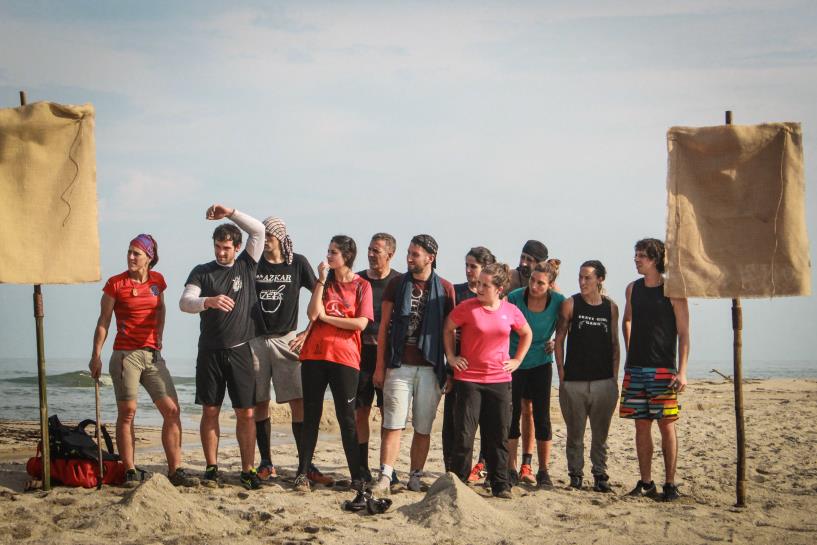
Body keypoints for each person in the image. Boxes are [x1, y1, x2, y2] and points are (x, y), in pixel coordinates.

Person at [89, 235, 197, 487]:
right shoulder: (115, 284)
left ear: (149, 257)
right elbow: (103, 321)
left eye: (136, 253)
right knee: (127, 413)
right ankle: (129, 470)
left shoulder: (158, 281)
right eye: (129, 252)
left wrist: (159, 335)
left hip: (152, 355)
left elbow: (161, 308)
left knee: (172, 410)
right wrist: (96, 355)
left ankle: (176, 470)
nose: (130, 257)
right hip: (125, 356)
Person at [179, 204, 265, 490]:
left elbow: (259, 230)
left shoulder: (246, 264)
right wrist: (208, 301)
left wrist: (230, 212)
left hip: (240, 349)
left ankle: (247, 469)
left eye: (227, 248)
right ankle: (212, 467)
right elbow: (184, 303)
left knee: (246, 413)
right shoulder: (202, 272)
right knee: (210, 411)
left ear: (237, 247)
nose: (221, 252)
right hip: (210, 352)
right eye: (218, 247)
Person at [249, 216, 331, 485]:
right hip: (256, 340)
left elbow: (322, 295)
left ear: (281, 238)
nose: (266, 242)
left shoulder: (297, 263)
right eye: (263, 237)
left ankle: (305, 464)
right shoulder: (253, 263)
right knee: (260, 402)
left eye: (269, 237)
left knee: (299, 402)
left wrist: (308, 332)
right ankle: (266, 463)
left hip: (287, 340)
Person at [372, 234, 456, 493]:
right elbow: (384, 327)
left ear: (430, 258)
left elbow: (449, 331)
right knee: (393, 423)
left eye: (415, 254)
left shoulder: (446, 288)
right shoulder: (396, 284)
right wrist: (380, 366)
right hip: (399, 365)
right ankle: (385, 475)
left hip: (431, 367)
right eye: (408, 253)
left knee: (423, 426)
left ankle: (415, 475)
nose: (409, 258)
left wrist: (450, 370)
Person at [444, 263, 532, 499]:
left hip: (499, 380)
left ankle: (500, 484)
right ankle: (459, 483)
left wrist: (517, 360)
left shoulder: (510, 310)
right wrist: (452, 357)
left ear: (499, 289)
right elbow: (448, 328)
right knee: (464, 434)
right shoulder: (467, 308)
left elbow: (526, 334)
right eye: (479, 283)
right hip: (469, 380)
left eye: (485, 285)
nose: (479, 288)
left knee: (497, 435)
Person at [293, 235, 373, 493]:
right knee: (311, 416)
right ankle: (302, 473)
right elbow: (312, 314)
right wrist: (319, 280)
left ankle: (357, 476)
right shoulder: (324, 283)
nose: (328, 256)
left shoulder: (362, 286)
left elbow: (360, 323)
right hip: (315, 356)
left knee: (346, 418)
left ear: (346, 256)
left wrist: (329, 318)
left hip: (345, 358)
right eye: (328, 251)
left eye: (333, 252)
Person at [620, 238, 690, 502]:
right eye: (635, 255)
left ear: (655, 259)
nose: (637, 260)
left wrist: (682, 371)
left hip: (663, 369)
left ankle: (670, 484)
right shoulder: (632, 289)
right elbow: (627, 319)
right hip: (636, 368)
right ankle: (646, 482)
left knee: (667, 426)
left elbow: (684, 334)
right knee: (641, 426)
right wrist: (630, 349)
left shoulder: (673, 290)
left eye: (642, 256)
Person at [554, 260, 620, 492]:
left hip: (604, 382)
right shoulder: (571, 304)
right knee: (575, 434)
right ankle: (576, 475)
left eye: (588, 278)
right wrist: (561, 371)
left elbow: (614, 342)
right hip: (574, 382)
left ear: (600, 279)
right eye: (580, 277)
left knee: (600, 435)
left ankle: (600, 474)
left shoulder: (610, 308)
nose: (582, 282)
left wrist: (614, 377)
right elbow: (559, 338)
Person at [506, 259, 565, 488]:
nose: (534, 286)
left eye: (541, 283)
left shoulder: (559, 301)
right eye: (532, 280)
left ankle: (543, 471)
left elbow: (564, 326)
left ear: (550, 285)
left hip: (541, 362)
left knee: (542, 417)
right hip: (514, 362)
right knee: (512, 416)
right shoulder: (515, 298)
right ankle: (511, 468)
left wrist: (555, 341)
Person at [444, 246, 495, 478]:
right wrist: (449, 362)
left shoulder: (496, 296)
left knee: (487, 421)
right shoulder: (455, 292)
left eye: (473, 266)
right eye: (466, 265)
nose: (468, 270)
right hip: (458, 366)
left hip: (487, 370)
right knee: (454, 421)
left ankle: (482, 465)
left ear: (485, 268)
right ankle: (451, 468)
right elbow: (445, 327)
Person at [356, 233, 401, 482]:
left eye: (377, 251)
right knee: (360, 411)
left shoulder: (398, 282)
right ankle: (362, 467)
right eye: (370, 250)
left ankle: (387, 468)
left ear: (390, 255)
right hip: (360, 352)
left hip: (389, 354)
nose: (372, 255)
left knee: (388, 413)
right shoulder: (358, 279)